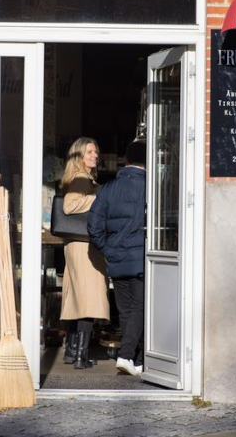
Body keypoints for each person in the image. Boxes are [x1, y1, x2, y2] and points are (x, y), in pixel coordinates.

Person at [88, 140, 146, 376]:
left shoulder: (108, 188)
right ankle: (126, 354)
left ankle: (135, 359)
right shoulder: (152, 187)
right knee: (140, 307)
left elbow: (93, 225)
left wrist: (108, 249)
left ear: (126, 160)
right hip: (142, 258)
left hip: (117, 258)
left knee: (125, 310)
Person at [59, 137, 110, 369]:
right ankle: (81, 356)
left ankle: (71, 352)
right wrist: (99, 198)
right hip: (84, 247)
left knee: (77, 298)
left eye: (96, 152)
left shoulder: (80, 177)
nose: (94, 156)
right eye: (89, 152)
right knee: (89, 300)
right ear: (78, 155)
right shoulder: (81, 178)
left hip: (76, 245)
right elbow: (70, 206)